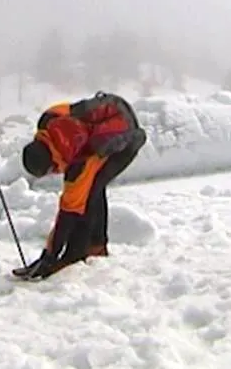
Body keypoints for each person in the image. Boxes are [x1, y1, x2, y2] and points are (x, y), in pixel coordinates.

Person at [14, 92, 147, 279]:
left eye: (51, 170)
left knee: (89, 193)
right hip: (112, 107)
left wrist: (49, 257)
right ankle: (96, 243)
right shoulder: (48, 119)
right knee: (91, 187)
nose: (54, 174)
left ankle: (77, 254)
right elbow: (74, 111)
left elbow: (68, 213)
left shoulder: (81, 161)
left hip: (125, 138)